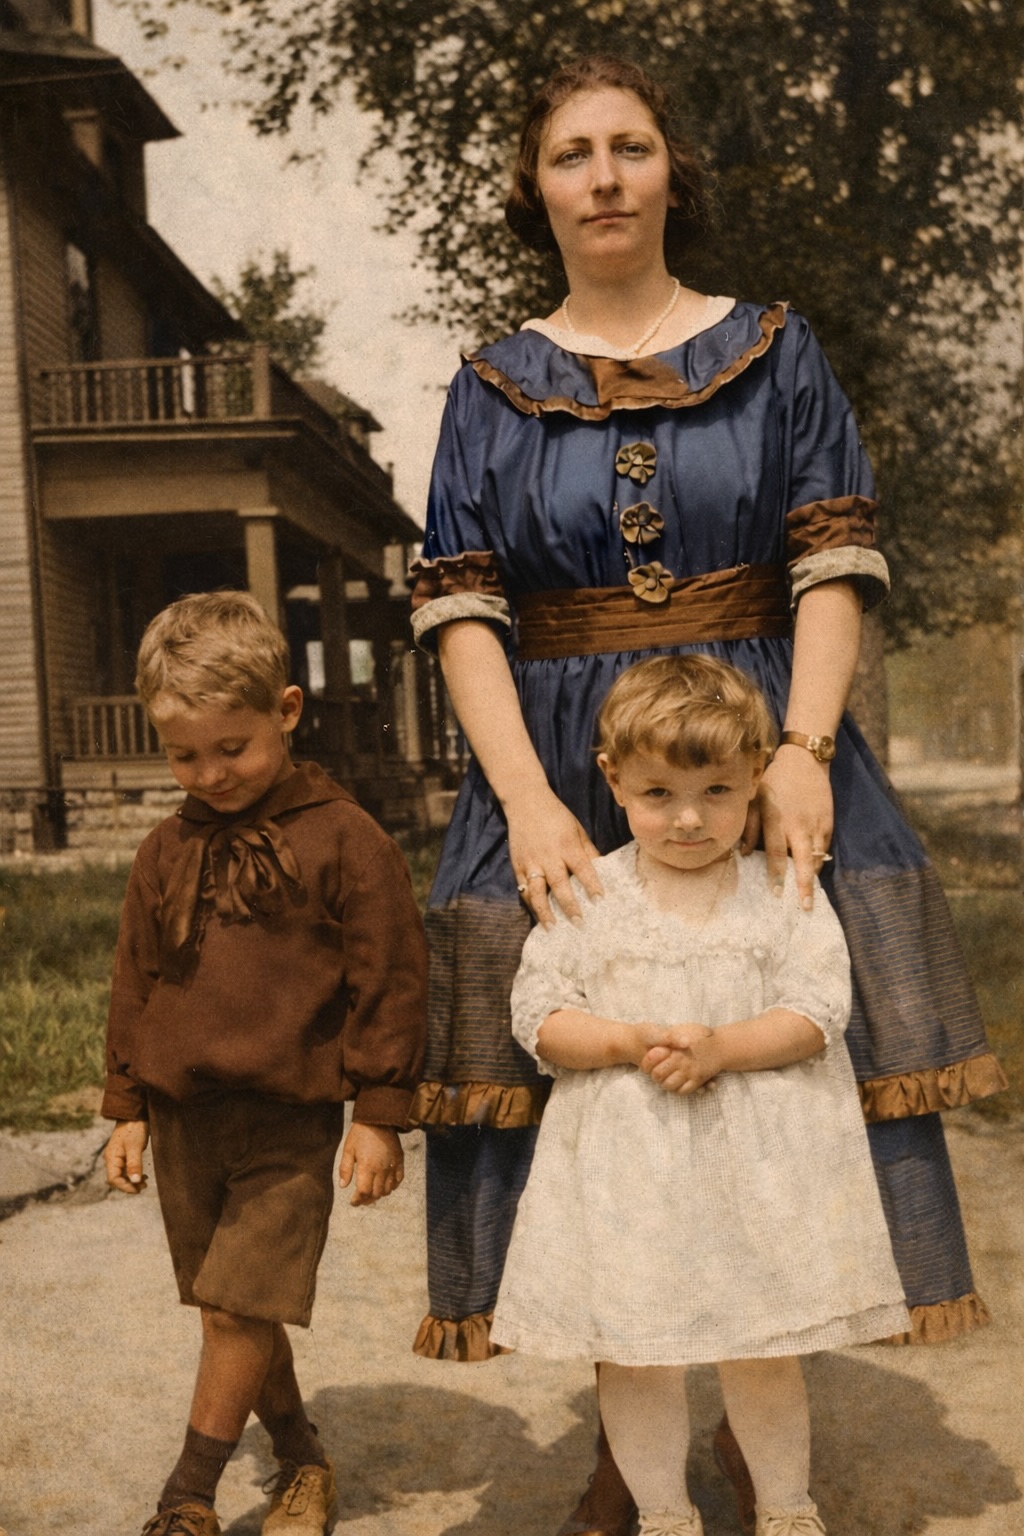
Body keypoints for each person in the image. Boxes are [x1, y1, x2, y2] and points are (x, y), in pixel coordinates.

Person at [408, 52, 1004, 1535]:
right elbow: (465, 615)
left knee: (778, 1079)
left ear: (673, 171)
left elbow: (830, 566)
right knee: (582, 1097)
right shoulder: (489, 386)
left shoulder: (777, 350)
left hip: (755, 751)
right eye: (571, 153)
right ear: (535, 188)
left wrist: (803, 749)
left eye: (630, 146)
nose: (603, 176)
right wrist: (530, 806)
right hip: (552, 754)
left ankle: (757, 1408)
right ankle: (632, 1449)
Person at [490, 654, 911, 1536]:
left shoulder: (779, 891)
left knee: (761, 1351)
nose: (689, 819)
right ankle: (664, 1514)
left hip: (756, 1177)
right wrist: (619, 1039)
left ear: (759, 774)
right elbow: (538, 1015)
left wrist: (722, 1047)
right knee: (637, 1357)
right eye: (658, 795)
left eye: (718, 791)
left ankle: (787, 1511)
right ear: (612, 782)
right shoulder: (593, 896)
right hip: (629, 1181)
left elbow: (818, 1008)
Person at [102, 591, 427, 1536]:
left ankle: (187, 1496)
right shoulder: (165, 849)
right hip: (182, 1116)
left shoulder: (346, 838)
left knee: (240, 1307)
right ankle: (302, 1460)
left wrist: (379, 1113)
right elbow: (136, 978)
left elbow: (392, 977)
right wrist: (126, 1105)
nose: (210, 774)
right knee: (229, 1309)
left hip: (287, 1122)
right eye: (184, 755)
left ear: (286, 710)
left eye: (231, 748)